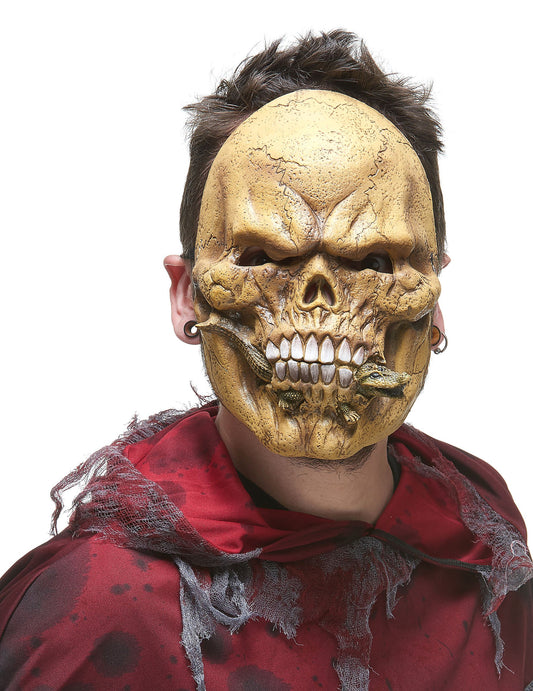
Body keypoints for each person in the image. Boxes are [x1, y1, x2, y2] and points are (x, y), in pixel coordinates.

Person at [0, 30, 531, 690]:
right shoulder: (94, 614)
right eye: (262, 257)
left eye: (373, 261)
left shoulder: (481, 532)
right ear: (187, 295)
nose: (318, 292)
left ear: (433, 297)